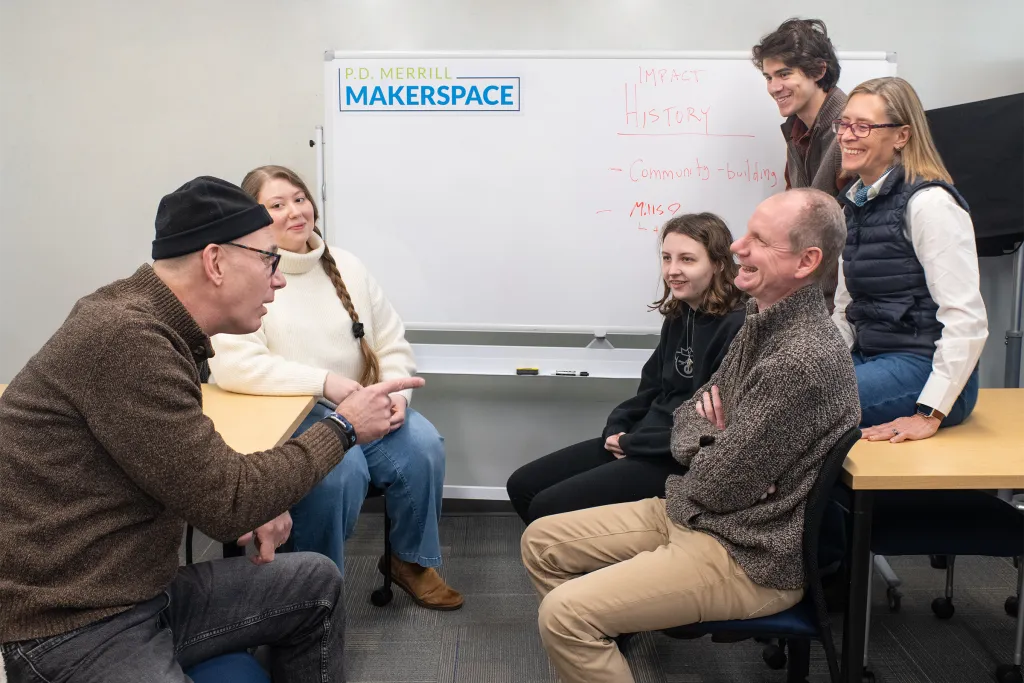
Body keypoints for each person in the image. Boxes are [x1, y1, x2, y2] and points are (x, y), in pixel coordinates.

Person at [0, 176, 424, 682]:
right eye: (270, 260)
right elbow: (228, 502)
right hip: (73, 623)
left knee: (315, 581)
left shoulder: (155, 327)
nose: (281, 279)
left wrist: (242, 500)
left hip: (143, 592)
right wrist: (344, 428)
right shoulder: (127, 339)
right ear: (216, 261)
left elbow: (180, 461)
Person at [520, 189, 860, 683]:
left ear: (807, 261)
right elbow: (689, 417)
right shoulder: (764, 323)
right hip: (698, 514)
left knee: (564, 616)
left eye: (758, 240)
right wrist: (716, 443)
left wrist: (716, 451)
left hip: (747, 553)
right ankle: (601, 648)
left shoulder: (797, 358)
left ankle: (592, 635)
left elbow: (716, 485)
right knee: (541, 541)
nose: (738, 247)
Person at [208, 165, 462, 611]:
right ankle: (313, 591)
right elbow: (233, 365)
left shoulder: (349, 266)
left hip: (360, 401)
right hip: (291, 414)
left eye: (299, 198)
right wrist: (326, 383)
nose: (294, 211)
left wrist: (396, 398)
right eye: (277, 204)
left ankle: (409, 561)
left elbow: (391, 342)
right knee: (340, 473)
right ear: (253, 218)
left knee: (423, 444)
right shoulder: (244, 272)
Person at [506, 213, 746, 524]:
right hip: (641, 440)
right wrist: (616, 429)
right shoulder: (679, 314)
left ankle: (593, 566)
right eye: (666, 258)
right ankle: (570, 563)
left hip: (675, 457)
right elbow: (651, 389)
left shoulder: (737, 327)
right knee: (522, 485)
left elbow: (709, 428)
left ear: (718, 264)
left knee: (546, 507)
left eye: (687, 259)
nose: (673, 271)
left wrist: (633, 444)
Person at [832, 77, 988, 443]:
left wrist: (930, 411)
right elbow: (845, 311)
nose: (847, 135)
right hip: (871, 359)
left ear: (901, 136)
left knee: (797, 405)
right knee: (777, 390)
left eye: (863, 126)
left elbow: (966, 319)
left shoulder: (930, 204)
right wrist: (816, 366)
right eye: (844, 123)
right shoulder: (853, 205)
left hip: (925, 371)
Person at [752, 17, 848, 310]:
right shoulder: (795, 132)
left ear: (819, 71)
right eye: (769, 77)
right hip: (812, 299)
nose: (774, 87)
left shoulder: (851, 130)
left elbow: (850, 232)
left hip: (844, 306)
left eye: (784, 74)